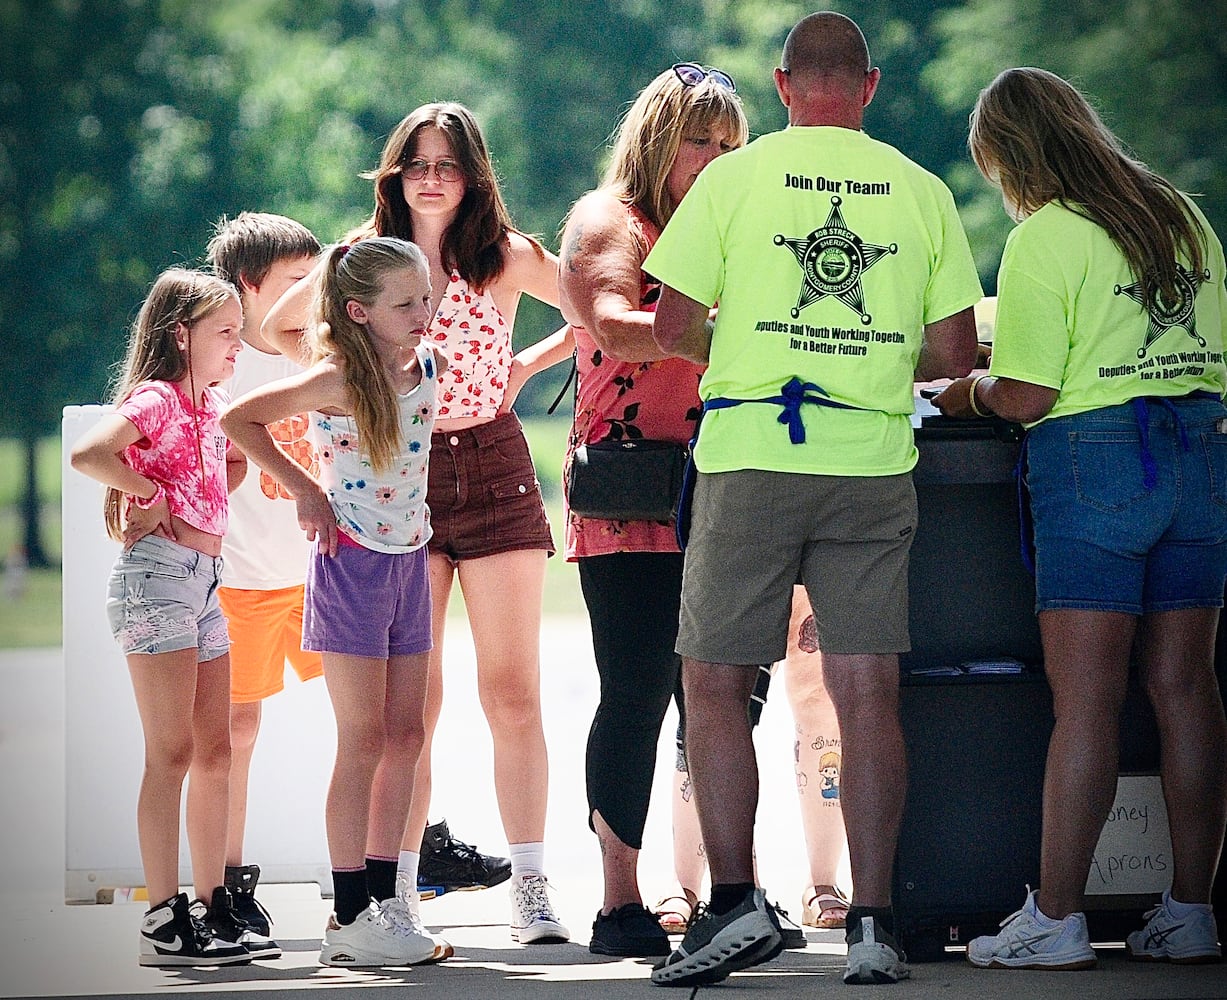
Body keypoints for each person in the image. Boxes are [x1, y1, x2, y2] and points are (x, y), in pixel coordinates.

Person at [645, 11, 982, 987]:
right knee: (867, 689)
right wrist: (864, 362)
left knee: (713, 681)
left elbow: (670, 326)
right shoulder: (921, 192)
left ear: (784, 87)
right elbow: (955, 354)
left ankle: (735, 906)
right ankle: (873, 922)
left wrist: (756, 351)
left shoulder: (732, 179)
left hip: (751, 450)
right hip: (872, 461)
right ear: (869, 87)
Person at [933, 67, 1227, 970]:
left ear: (1006, 156)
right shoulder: (1181, 213)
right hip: (1202, 450)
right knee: (1187, 690)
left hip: (1095, 461)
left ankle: (1056, 916)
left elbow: (1025, 394)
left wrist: (961, 391)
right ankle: (1189, 909)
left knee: (1085, 701)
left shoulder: (1046, 236)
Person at [345, 102, 575, 942]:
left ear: (474, 174)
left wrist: (523, 364)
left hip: (494, 465)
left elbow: (596, 305)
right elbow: (277, 322)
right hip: (395, 475)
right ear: (394, 174)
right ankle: (398, 895)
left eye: (447, 163)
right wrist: (346, 384)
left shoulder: (505, 257)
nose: (431, 177)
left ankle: (534, 886)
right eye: (416, 163)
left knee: (511, 691)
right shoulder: (366, 261)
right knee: (413, 710)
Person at [556, 62, 747, 959]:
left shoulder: (740, 219)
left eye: (726, 144)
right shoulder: (609, 218)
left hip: (734, 476)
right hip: (632, 484)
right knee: (634, 690)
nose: (712, 158)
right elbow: (612, 319)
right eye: (696, 141)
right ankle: (618, 903)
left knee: (724, 700)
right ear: (656, 142)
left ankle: (717, 893)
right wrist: (745, 326)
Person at [222, 237, 454, 968]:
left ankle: (385, 903)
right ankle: (349, 913)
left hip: (410, 561)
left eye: (426, 296)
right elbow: (239, 420)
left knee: (407, 736)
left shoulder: (427, 366)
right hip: (350, 566)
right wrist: (307, 493)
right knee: (362, 740)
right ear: (359, 312)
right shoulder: (334, 379)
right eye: (406, 303)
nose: (425, 311)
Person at [69, 268, 271, 966]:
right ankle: (162, 917)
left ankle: (214, 906)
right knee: (173, 755)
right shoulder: (155, 398)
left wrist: (198, 491)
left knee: (216, 753)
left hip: (204, 586)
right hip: (155, 584)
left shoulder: (211, 405)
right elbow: (88, 451)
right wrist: (150, 488)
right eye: (225, 334)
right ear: (180, 334)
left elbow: (236, 460)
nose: (236, 348)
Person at [205, 212, 321, 946]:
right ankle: (226, 880)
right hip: (244, 580)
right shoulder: (220, 368)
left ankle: (392, 862)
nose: (309, 295)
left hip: (323, 575)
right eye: (294, 282)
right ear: (249, 288)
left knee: (374, 720)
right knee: (236, 731)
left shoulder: (317, 355)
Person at [656, 588, 850, 935]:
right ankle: (687, 882)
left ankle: (823, 881)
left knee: (817, 692)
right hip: (744, 546)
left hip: (818, 549)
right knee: (716, 701)